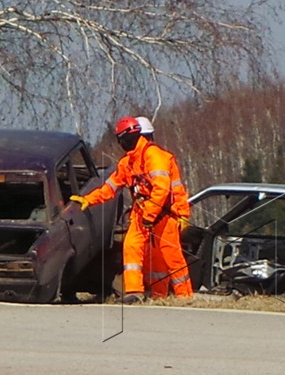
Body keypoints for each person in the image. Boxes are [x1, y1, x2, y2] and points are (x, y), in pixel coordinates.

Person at [70, 116, 194, 302]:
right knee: (131, 247)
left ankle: (184, 296)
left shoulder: (155, 157)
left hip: (164, 214)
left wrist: (163, 214)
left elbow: (163, 189)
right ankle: (135, 292)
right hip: (142, 213)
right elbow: (110, 188)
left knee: (170, 256)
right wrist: (88, 199)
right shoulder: (127, 163)